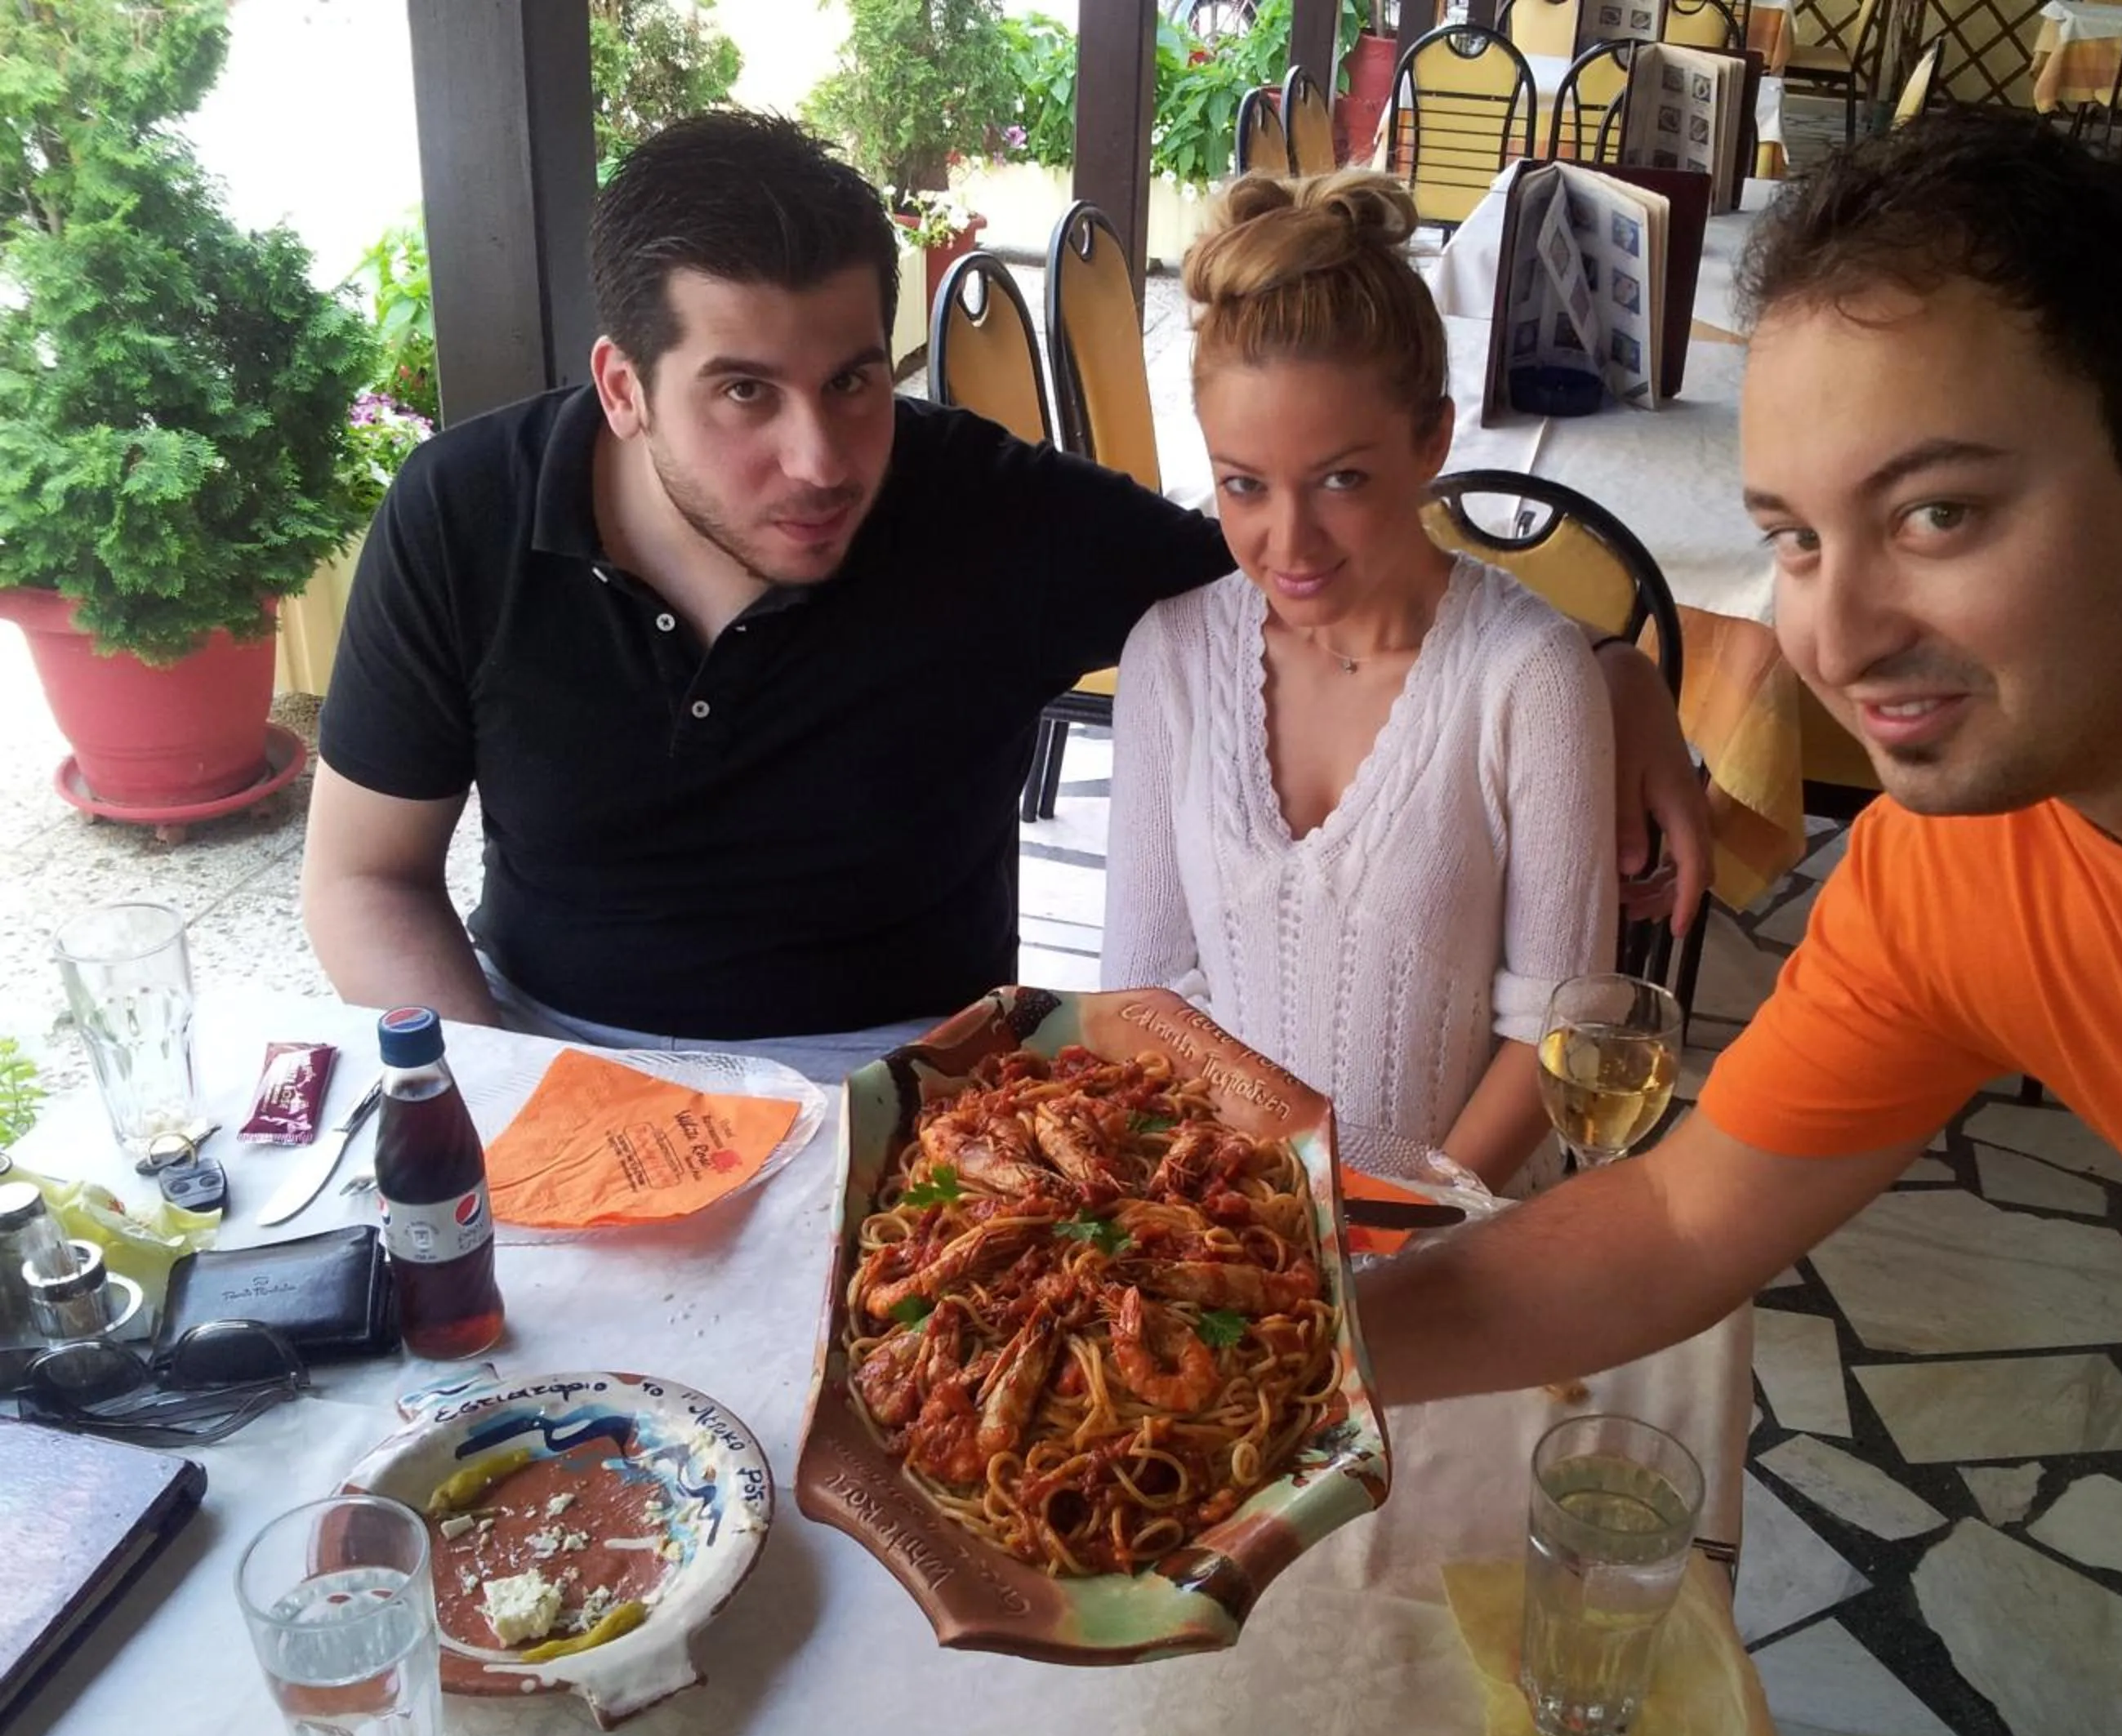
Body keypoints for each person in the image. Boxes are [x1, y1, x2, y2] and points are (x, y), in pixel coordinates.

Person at [1353, 113, 2122, 1736]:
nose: (1838, 638)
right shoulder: (1952, 874)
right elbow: (1673, 1222)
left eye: (1938, 512)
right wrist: (1286, 1346)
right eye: (1792, 537)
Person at [301, 112, 1709, 1085]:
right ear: (623, 387)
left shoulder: (979, 506)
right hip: (557, 1047)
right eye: (744, 392)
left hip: (909, 1076)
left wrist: (1596, 665)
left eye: (855, 378)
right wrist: (503, 1090)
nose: (822, 457)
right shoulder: (463, 515)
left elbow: (1305, 561)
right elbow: (364, 876)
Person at [1102, 173, 1620, 1191]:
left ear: (1433, 439)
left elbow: (1557, 1029)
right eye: (1243, 484)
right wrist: (1250, 1225)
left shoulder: (1531, 680)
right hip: (1226, 1235)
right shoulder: (1171, 656)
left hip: (1452, 1241)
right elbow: (1142, 998)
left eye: (1341, 479)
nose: (1286, 544)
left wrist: (1393, 1237)